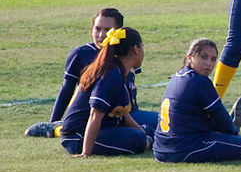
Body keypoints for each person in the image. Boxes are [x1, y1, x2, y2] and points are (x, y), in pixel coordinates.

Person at [26, 8, 157, 139]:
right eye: (97, 29)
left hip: (126, 115)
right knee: (159, 128)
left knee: (164, 125)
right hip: (97, 117)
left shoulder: (125, 54)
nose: (101, 35)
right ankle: (57, 128)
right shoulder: (81, 54)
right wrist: (53, 121)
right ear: (91, 29)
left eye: (107, 30)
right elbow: (67, 90)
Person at [59, 26, 155, 157]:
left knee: (147, 131)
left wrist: (145, 135)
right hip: (77, 137)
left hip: (102, 129)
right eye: (142, 46)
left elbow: (123, 115)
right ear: (135, 49)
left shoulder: (120, 72)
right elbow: (94, 114)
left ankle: (150, 141)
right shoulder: (111, 74)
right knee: (136, 138)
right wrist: (85, 152)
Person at [154, 39, 241, 163]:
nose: (209, 63)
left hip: (160, 150)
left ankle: (227, 130)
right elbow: (220, 115)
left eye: (213, 59)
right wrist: (234, 133)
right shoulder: (199, 81)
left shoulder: (177, 76)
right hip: (185, 149)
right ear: (190, 57)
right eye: (204, 57)